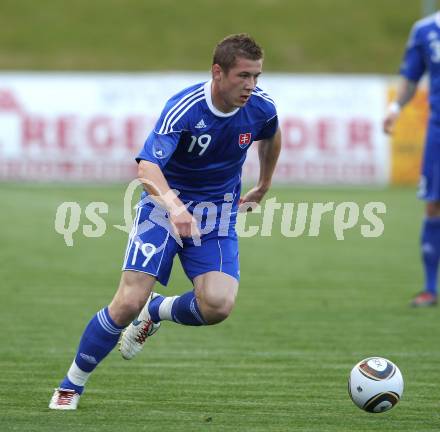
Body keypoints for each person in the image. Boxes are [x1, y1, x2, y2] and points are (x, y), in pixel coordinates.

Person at [49, 33, 281, 409]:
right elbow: (147, 166)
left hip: (217, 214)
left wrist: (265, 183)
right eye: (244, 76)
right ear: (217, 72)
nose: (251, 86)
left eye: (257, 76)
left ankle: (156, 311)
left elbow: (271, 136)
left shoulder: (261, 107)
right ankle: (71, 384)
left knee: (218, 305)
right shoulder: (185, 108)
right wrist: (175, 207)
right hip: (163, 208)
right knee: (126, 303)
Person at [383, 11, 440, 307]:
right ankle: (430, 288)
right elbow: (410, 77)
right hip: (438, 132)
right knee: (434, 204)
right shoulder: (425, 30)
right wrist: (394, 108)